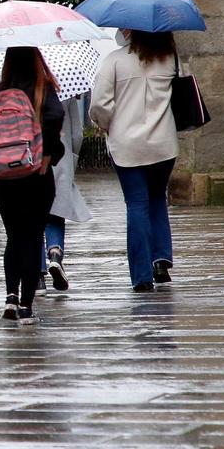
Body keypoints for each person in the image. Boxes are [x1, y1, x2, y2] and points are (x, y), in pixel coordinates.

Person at [89, 29, 178, 292]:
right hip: (163, 143)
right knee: (157, 198)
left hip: (127, 144)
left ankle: (141, 275)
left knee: (137, 204)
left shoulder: (115, 60)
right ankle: (161, 258)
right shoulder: (170, 58)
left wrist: (107, 124)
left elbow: (99, 104)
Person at [0, 47, 64, 324]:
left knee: (14, 236)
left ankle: (10, 297)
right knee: (32, 237)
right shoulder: (42, 90)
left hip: (4, 176)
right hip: (35, 173)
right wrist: (48, 152)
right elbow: (55, 115)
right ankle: (27, 305)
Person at [39, 96, 91, 291]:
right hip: (59, 157)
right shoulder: (64, 91)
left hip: (28, 158)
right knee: (56, 213)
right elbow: (77, 134)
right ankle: (54, 253)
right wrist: (72, 158)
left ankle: (37, 276)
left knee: (34, 220)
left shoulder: (16, 88)